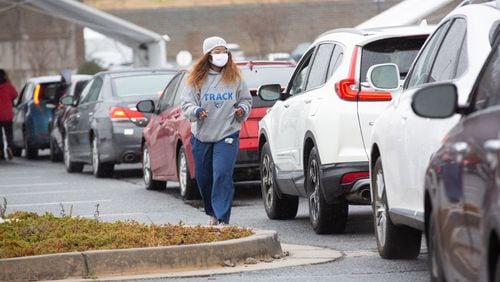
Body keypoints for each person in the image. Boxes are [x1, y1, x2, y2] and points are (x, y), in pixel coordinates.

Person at [181, 36, 252, 226]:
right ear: (207, 56)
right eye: (217, 52)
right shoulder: (196, 79)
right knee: (204, 178)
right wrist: (196, 111)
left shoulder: (235, 77)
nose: (222, 55)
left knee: (222, 174)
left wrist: (242, 110)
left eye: (224, 52)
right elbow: (186, 104)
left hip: (227, 133)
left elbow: (246, 100)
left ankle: (222, 218)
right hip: (202, 135)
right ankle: (211, 212)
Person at [0, 69, 18, 160]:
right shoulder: (8, 86)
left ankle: (1, 152)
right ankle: (10, 147)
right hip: (7, 114)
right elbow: (15, 94)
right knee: (9, 133)